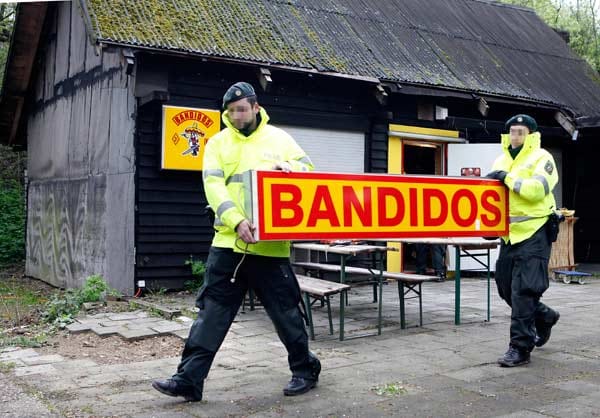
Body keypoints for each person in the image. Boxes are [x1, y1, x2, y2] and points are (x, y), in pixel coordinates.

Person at [152, 82, 320, 401]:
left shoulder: (280, 139)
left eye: (242, 110)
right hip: (229, 245)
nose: (237, 116)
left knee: (286, 314)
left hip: (270, 247)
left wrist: (290, 168)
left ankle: (305, 370)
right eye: (231, 111)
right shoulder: (217, 142)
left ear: (256, 107)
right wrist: (237, 221)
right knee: (211, 315)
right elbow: (213, 186)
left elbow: (308, 171)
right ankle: (188, 380)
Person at [486, 114, 560, 367]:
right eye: (513, 132)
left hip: (536, 231)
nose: (516, 136)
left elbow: (536, 191)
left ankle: (520, 348)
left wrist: (506, 178)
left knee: (524, 292)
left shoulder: (543, 158)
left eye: (521, 132)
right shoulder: (501, 158)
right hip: (509, 234)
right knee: (505, 287)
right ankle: (545, 316)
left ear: (531, 135)